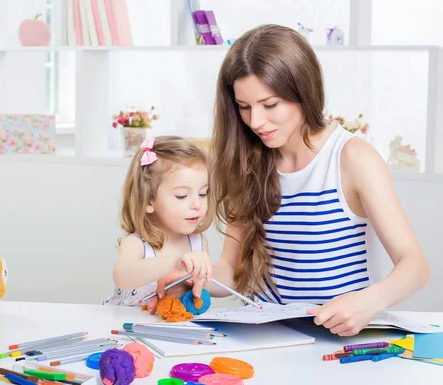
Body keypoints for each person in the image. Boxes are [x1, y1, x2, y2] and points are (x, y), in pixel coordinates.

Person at [162, 24, 430, 336]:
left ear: (303, 92)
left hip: (338, 339)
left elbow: (416, 266)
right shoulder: (248, 161)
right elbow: (233, 272)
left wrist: (369, 302)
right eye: (244, 107)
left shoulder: (351, 158)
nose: (256, 121)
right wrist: (197, 278)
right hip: (266, 335)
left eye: (270, 104)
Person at [102, 135, 215, 313]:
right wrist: (175, 262)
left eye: (203, 193)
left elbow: (200, 288)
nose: (197, 205)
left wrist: (195, 283)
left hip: (170, 329)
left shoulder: (199, 243)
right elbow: (122, 276)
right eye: (182, 196)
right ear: (148, 200)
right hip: (126, 328)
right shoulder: (136, 243)